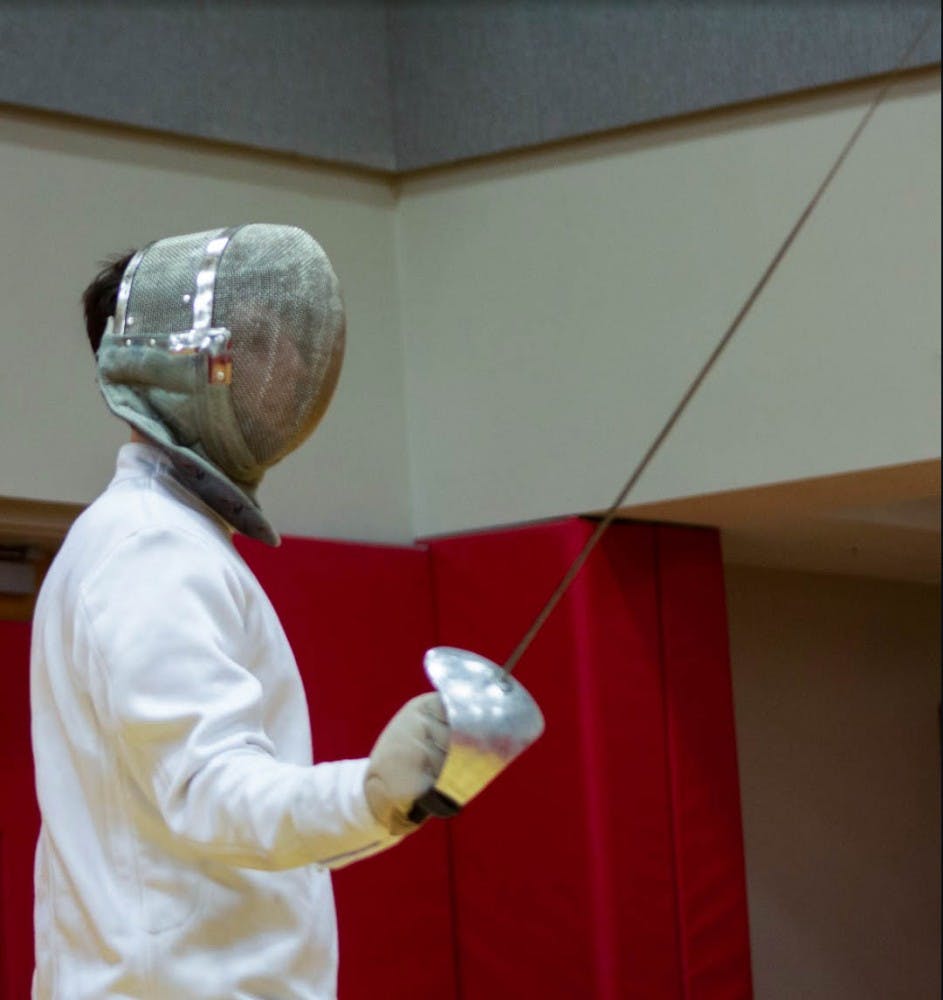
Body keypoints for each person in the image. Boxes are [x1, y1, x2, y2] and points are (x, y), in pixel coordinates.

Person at [30, 224, 450, 998]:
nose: (287, 365)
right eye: (255, 343)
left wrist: (392, 800)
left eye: (288, 342)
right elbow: (210, 791)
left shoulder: (163, 538)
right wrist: (368, 793)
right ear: (176, 366)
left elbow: (231, 825)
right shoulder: (149, 549)